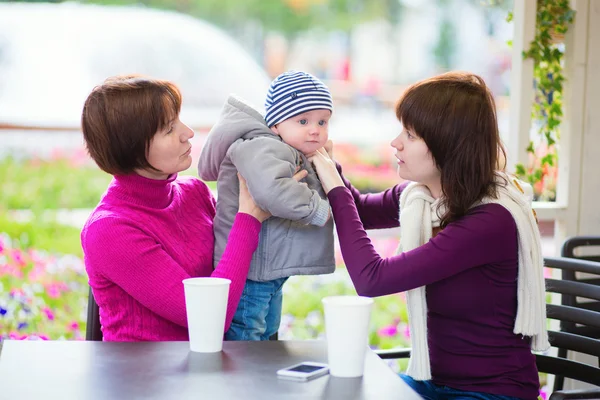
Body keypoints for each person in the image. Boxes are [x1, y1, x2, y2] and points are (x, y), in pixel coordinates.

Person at [309, 72, 548, 400]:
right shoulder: (423, 197)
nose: (396, 142)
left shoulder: (491, 220)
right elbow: (360, 210)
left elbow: (372, 279)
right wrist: (327, 163)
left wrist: (334, 186)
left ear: (446, 144)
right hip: (434, 386)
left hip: (493, 393)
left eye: (409, 134)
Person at [80, 75, 306, 341]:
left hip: (208, 366)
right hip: (145, 378)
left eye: (179, 120)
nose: (187, 133)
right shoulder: (109, 230)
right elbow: (209, 317)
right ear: (130, 147)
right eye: (168, 128)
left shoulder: (194, 193)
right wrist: (249, 217)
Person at [198, 70, 336, 341]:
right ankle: (244, 382)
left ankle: (260, 376)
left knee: (267, 334)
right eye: (303, 120)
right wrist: (317, 209)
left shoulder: (283, 147)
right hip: (251, 270)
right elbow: (271, 190)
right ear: (275, 124)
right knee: (247, 336)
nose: (315, 129)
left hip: (263, 269)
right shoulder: (263, 146)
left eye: (323, 121)